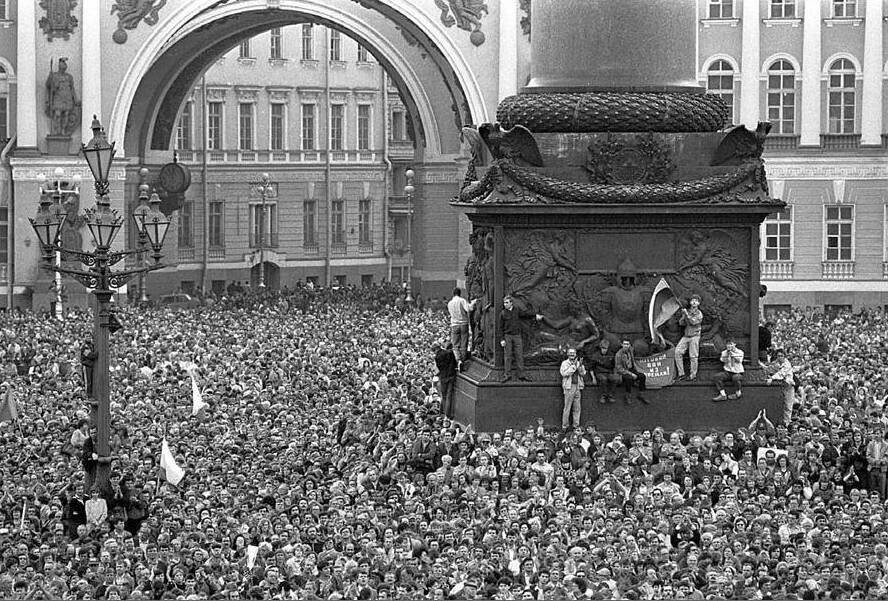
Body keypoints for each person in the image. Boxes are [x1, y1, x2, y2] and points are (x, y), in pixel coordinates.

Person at [498, 296, 535, 382]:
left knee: (519, 355)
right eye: (504, 303)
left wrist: (535, 315)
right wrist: (502, 339)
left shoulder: (517, 310)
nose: (505, 304)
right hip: (508, 336)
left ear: (511, 303)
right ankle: (507, 375)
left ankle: (521, 374)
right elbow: (500, 328)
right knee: (508, 356)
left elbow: (526, 315)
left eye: (507, 303)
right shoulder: (503, 314)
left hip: (517, 335)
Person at [447, 288, 476, 371]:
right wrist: (473, 302)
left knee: (455, 345)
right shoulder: (462, 300)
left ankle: (458, 360)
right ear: (460, 294)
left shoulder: (449, 303)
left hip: (454, 325)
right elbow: (469, 309)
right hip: (463, 324)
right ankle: (463, 361)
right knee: (464, 343)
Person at [674, 295, 702, 381]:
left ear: (698, 303)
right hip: (686, 336)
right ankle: (681, 374)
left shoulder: (699, 313)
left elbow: (693, 322)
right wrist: (684, 316)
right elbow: (681, 324)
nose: (694, 302)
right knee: (677, 352)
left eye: (696, 301)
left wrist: (687, 315)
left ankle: (693, 375)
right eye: (692, 300)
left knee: (693, 356)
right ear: (690, 302)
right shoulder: (687, 311)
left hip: (694, 336)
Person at [614, 338, 647, 405]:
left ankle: (641, 394)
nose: (626, 346)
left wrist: (635, 370)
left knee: (642, 376)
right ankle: (627, 395)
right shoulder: (618, 355)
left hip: (631, 369)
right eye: (624, 344)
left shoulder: (630, 350)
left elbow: (632, 360)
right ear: (622, 344)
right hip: (623, 371)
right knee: (628, 378)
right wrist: (631, 374)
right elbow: (619, 368)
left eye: (627, 344)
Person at [765, 348, 794, 423]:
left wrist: (772, 378)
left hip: (788, 387)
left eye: (782, 356)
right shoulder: (775, 363)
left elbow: (781, 374)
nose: (780, 357)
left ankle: (787, 423)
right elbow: (769, 369)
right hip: (780, 387)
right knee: (780, 405)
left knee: (788, 406)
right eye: (778, 356)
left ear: (785, 356)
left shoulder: (787, 364)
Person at [559, 348, 585, 431]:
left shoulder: (578, 363)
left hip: (577, 386)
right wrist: (574, 367)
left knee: (577, 408)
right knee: (567, 407)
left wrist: (580, 366)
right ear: (567, 354)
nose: (572, 354)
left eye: (573, 353)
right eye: (570, 353)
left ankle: (576, 426)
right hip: (569, 387)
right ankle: (565, 426)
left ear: (576, 354)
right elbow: (564, 373)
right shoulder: (564, 363)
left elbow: (583, 373)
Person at [586, 338, 618, 404]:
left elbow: (614, 365)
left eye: (606, 348)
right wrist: (593, 378)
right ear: (600, 347)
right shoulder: (595, 355)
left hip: (609, 372)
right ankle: (604, 395)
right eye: (603, 348)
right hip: (599, 372)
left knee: (615, 379)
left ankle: (610, 395)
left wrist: (615, 373)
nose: (604, 350)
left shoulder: (611, 354)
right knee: (604, 379)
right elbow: (591, 368)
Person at [434, 341, 458, 419]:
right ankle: (448, 413)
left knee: (444, 396)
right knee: (449, 395)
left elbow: (440, 368)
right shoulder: (449, 352)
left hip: (444, 377)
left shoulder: (437, 357)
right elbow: (455, 363)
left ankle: (446, 414)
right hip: (452, 375)